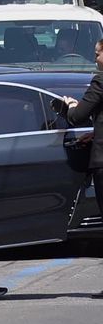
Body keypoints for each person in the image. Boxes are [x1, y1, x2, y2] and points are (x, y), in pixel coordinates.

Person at [59, 40, 103, 298]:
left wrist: (71, 105)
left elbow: (77, 116)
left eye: (97, 53)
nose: (95, 58)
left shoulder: (99, 81)